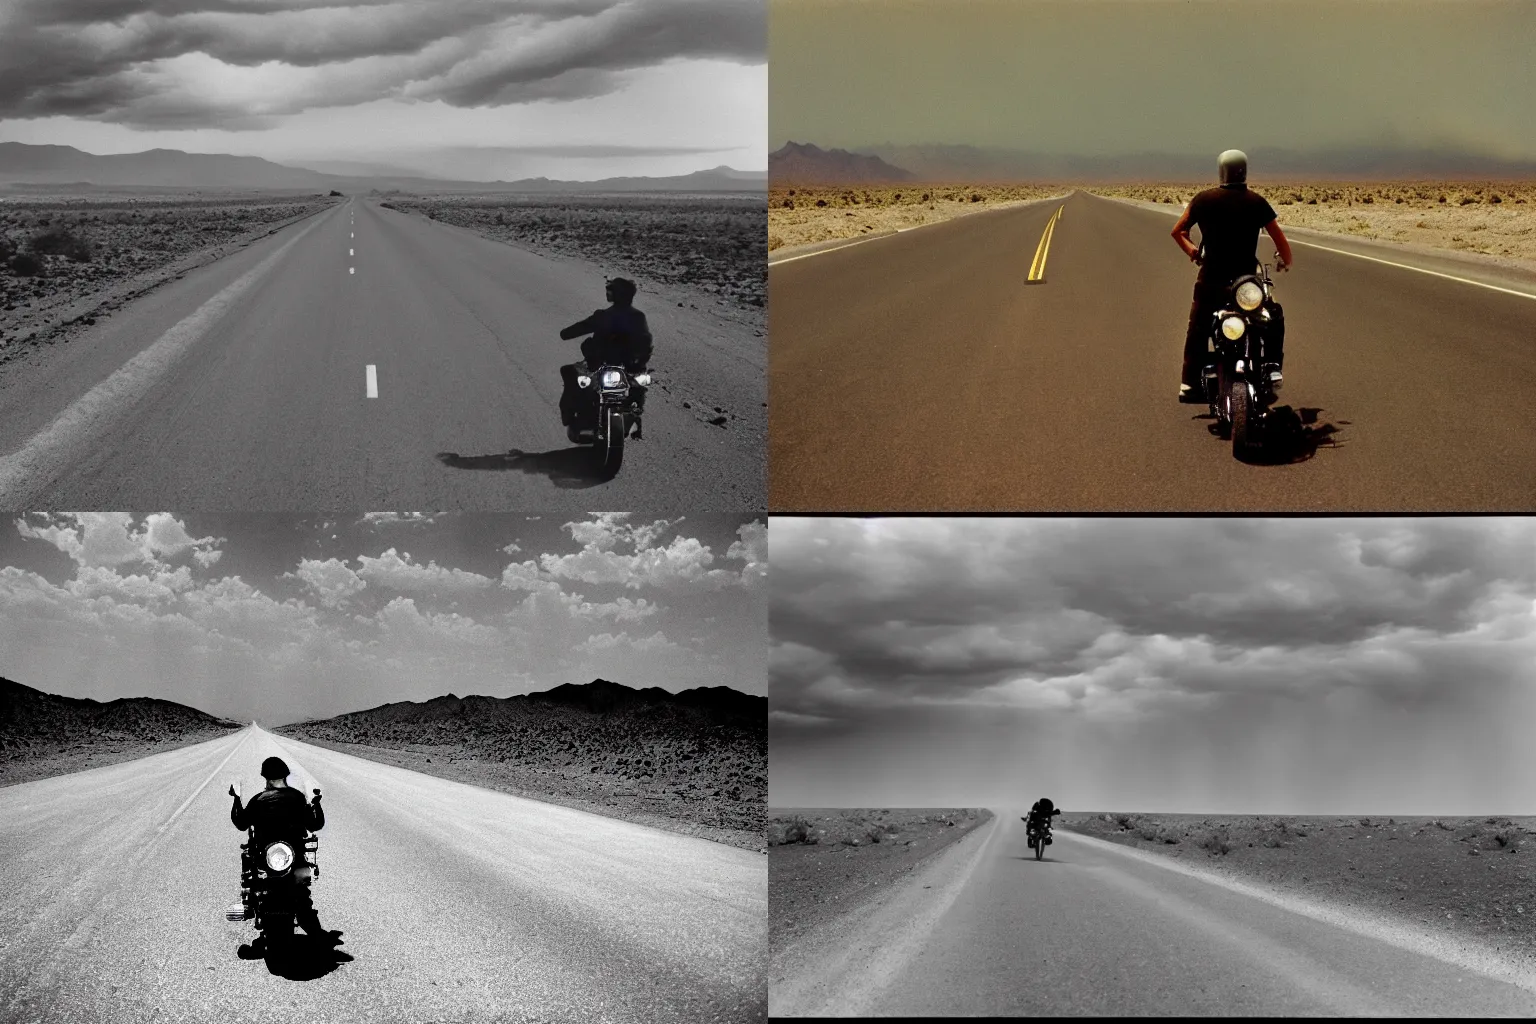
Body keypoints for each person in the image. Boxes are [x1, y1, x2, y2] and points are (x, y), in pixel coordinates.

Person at [1171, 149, 1294, 403]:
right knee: (1271, 318)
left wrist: (1194, 252)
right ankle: (1271, 368)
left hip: (1211, 281)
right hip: (1246, 283)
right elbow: (1281, 242)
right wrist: (1285, 262)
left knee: (1198, 328)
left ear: (1221, 171)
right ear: (1244, 171)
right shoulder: (1257, 202)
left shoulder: (1203, 200)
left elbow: (1177, 231)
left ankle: (1189, 382)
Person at [229, 756, 341, 948]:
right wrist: (316, 801)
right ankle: (316, 934)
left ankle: (249, 904)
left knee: (254, 873)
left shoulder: (258, 800)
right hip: (292, 858)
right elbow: (316, 824)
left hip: (267, 859)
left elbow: (241, 823)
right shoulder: (298, 798)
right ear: (286, 775)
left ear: (265, 777)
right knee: (303, 897)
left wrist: (236, 799)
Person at [558, 277, 653, 441]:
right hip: (629, 367)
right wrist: (639, 362)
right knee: (640, 386)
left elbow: (578, 329)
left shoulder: (604, 316)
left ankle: (570, 416)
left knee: (568, 372)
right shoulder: (638, 317)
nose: (608, 293)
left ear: (616, 295)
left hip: (602, 365)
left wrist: (565, 333)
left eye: (611, 290)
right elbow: (646, 342)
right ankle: (636, 417)